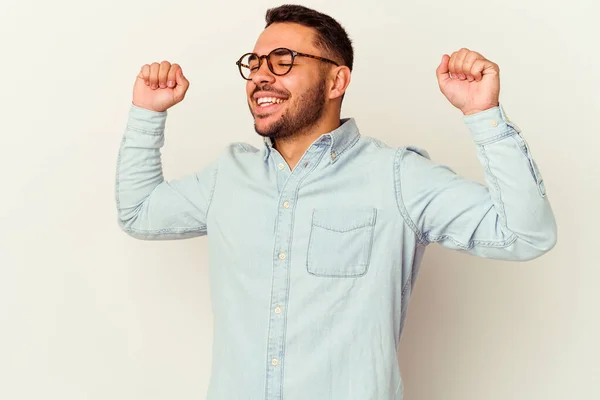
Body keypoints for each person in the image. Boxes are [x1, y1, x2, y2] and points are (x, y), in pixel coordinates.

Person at [115, 4, 557, 399]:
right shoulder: (227, 177)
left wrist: (483, 115)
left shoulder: (397, 176)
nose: (261, 75)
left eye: (283, 60)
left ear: (336, 80)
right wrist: (147, 114)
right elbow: (139, 213)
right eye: (254, 63)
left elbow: (524, 235)